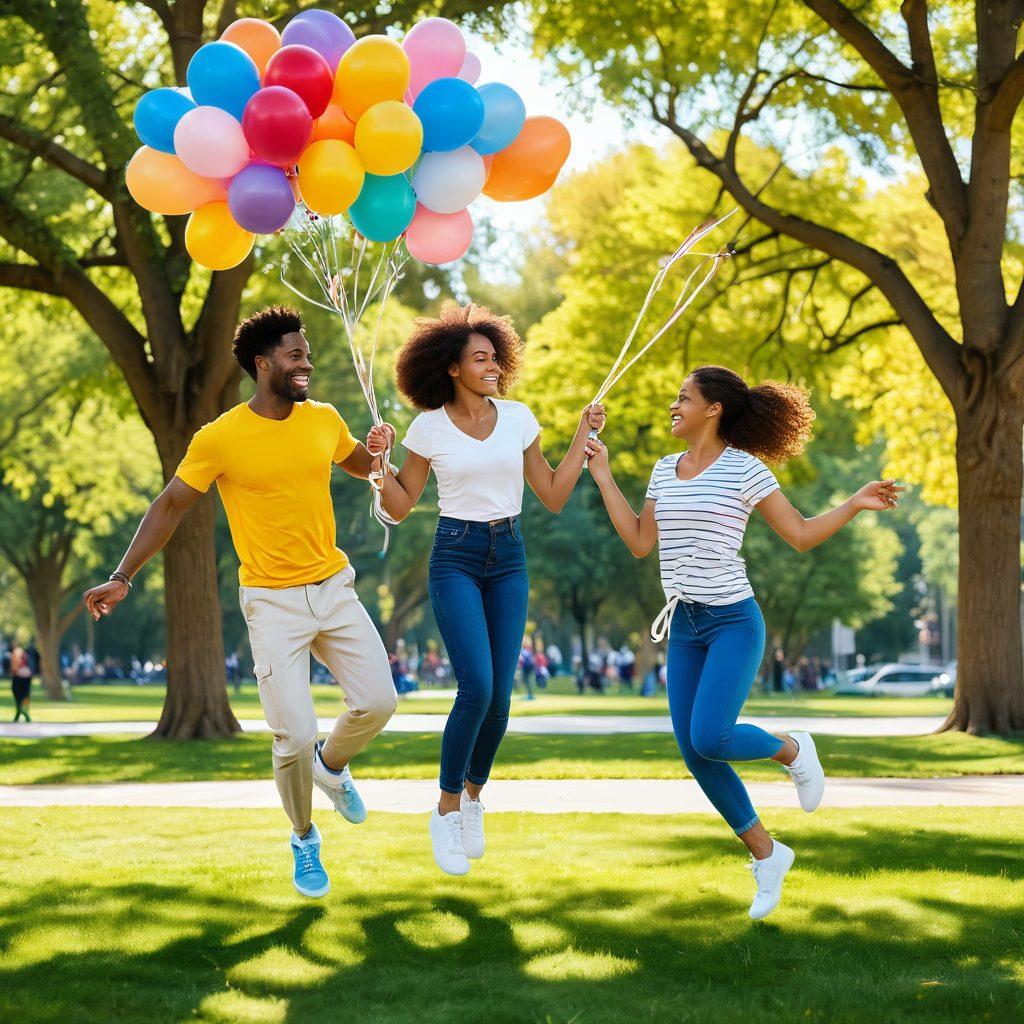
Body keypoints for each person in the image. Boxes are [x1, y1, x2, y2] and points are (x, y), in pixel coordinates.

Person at [82, 305, 397, 900]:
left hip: (333, 588)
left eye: (306, 354)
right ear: (263, 363)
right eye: (295, 355)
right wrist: (122, 574)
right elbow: (170, 505)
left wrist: (378, 448)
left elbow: (361, 466)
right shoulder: (221, 437)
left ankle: (332, 767)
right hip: (272, 603)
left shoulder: (323, 419)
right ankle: (304, 836)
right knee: (293, 736)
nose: (307, 363)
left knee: (379, 702)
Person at [585, 364, 901, 920]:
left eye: (683, 397)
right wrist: (605, 476)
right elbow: (639, 541)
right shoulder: (664, 470)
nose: (673, 406)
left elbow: (800, 534)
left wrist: (853, 503)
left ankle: (792, 749)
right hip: (684, 625)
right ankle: (768, 854)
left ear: (714, 410)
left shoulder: (745, 471)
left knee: (711, 734)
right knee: (696, 751)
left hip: (733, 620)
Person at [366, 301, 604, 875]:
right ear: (452, 367)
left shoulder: (519, 417)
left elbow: (550, 492)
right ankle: (445, 810)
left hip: (510, 555)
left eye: (496, 356)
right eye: (480, 359)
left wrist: (582, 435)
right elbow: (398, 507)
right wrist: (379, 464)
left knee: (501, 696)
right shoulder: (428, 428)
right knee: (475, 685)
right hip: (456, 556)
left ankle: (473, 797)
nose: (492, 365)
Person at [9, 642, 33, 722]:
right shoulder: (24, 653)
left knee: (18, 695)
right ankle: (21, 714)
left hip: (19, 675)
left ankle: (22, 712)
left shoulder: (16, 652)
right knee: (25, 695)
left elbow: (15, 666)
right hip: (27, 674)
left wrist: (13, 672)